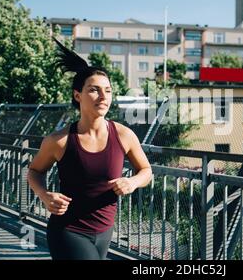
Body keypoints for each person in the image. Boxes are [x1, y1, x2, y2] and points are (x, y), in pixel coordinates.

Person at [27, 38, 152, 260]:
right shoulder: (60, 140)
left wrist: (131, 182)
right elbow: (35, 171)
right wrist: (45, 196)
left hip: (105, 232)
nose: (103, 97)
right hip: (68, 231)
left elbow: (146, 171)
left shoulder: (123, 135)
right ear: (78, 95)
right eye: (94, 90)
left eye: (108, 91)